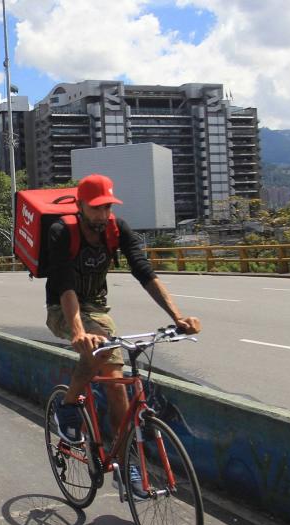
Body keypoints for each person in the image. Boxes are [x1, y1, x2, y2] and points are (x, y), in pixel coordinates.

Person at [47, 174, 202, 497]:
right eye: (96, 208)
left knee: (119, 387)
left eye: (108, 207)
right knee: (99, 345)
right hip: (63, 308)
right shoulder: (62, 232)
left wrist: (177, 317)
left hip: (98, 310)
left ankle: (123, 463)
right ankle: (67, 406)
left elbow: (144, 271)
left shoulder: (118, 229)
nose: (103, 214)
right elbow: (65, 286)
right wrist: (78, 333)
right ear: (80, 205)